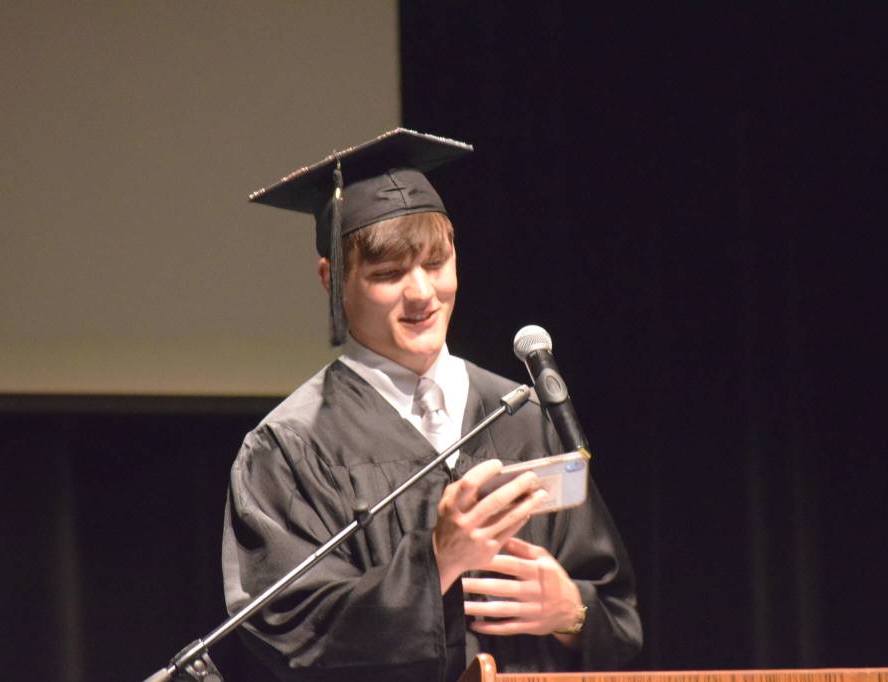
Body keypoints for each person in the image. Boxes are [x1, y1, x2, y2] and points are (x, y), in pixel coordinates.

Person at [221, 129, 642, 682]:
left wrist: (572, 613)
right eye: (388, 274)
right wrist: (436, 562)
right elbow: (289, 632)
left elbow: (619, 616)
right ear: (332, 280)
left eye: (436, 263)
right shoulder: (291, 446)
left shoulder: (520, 414)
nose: (422, 292)